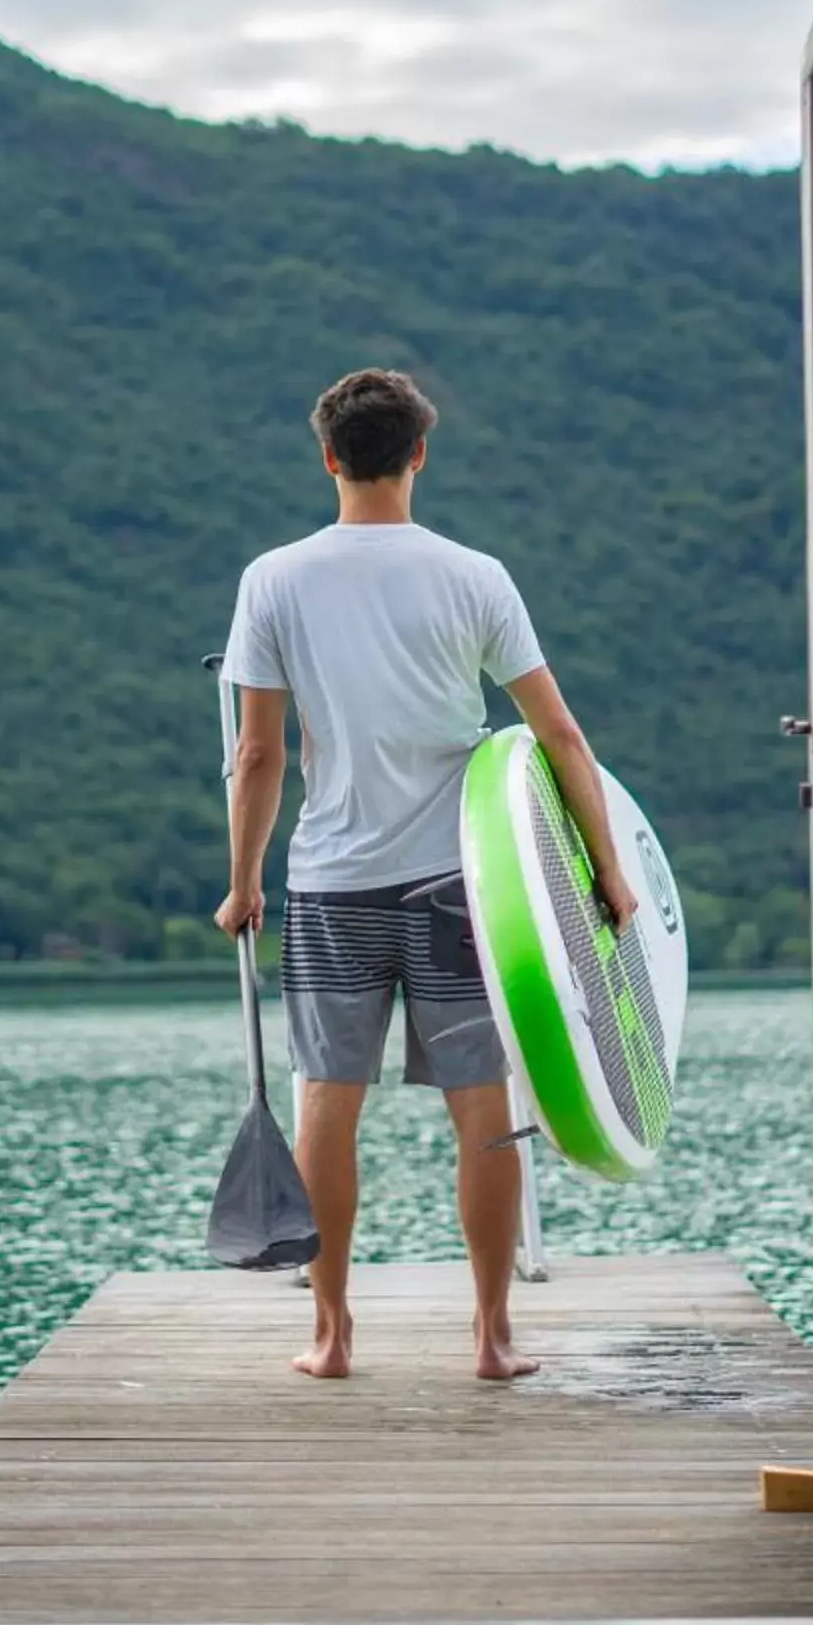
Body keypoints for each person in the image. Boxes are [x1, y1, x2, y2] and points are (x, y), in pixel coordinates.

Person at [216, 367, 636, 1382]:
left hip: (331, 880)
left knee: (329, 1097)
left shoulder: (274, 577)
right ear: (419, 455)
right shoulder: (475, 575)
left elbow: (259, 754)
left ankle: (331, 1333)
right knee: (479, 1103)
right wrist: (610, 874)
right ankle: (492, 1336)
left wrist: (244, 881)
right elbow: (559, 733)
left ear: (328, 457)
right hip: (463, 884)